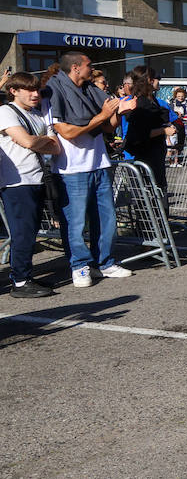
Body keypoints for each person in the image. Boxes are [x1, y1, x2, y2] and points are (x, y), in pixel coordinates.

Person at [45, 51, 131, 287]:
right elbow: (68, 132)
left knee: (107, 219)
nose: (91, 69)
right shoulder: (54, 90)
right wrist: (102, 115)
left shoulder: (90, 89)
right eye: (88, 65)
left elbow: (108, 127)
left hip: (99, 164)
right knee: (75, 222)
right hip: (72, 169)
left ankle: (105, 262)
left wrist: (117, 113)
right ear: (75, 67)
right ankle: (80, 266)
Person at [1, 71, 61, 297]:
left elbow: (55, 147)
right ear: (13, 91)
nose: (35, 94)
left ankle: (25, 276)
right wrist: (38, 141)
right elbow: (27, 141)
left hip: (36, 178)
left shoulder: (36, 116)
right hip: (17, 181)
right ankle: (20, 281)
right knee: (23, 233)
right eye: (29, 90)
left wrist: (37, 142)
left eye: (37, 90)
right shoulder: (6, 112)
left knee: (31, 230)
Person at [120, 66, 174, 191]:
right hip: (144, 159)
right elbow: (139, 134)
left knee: (159, 195)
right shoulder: (140, 103)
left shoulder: (153, 101)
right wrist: (164, 130)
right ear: (149, 80)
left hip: (155, 158)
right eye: (157, 78)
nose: (159, 81)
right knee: (148, 200)